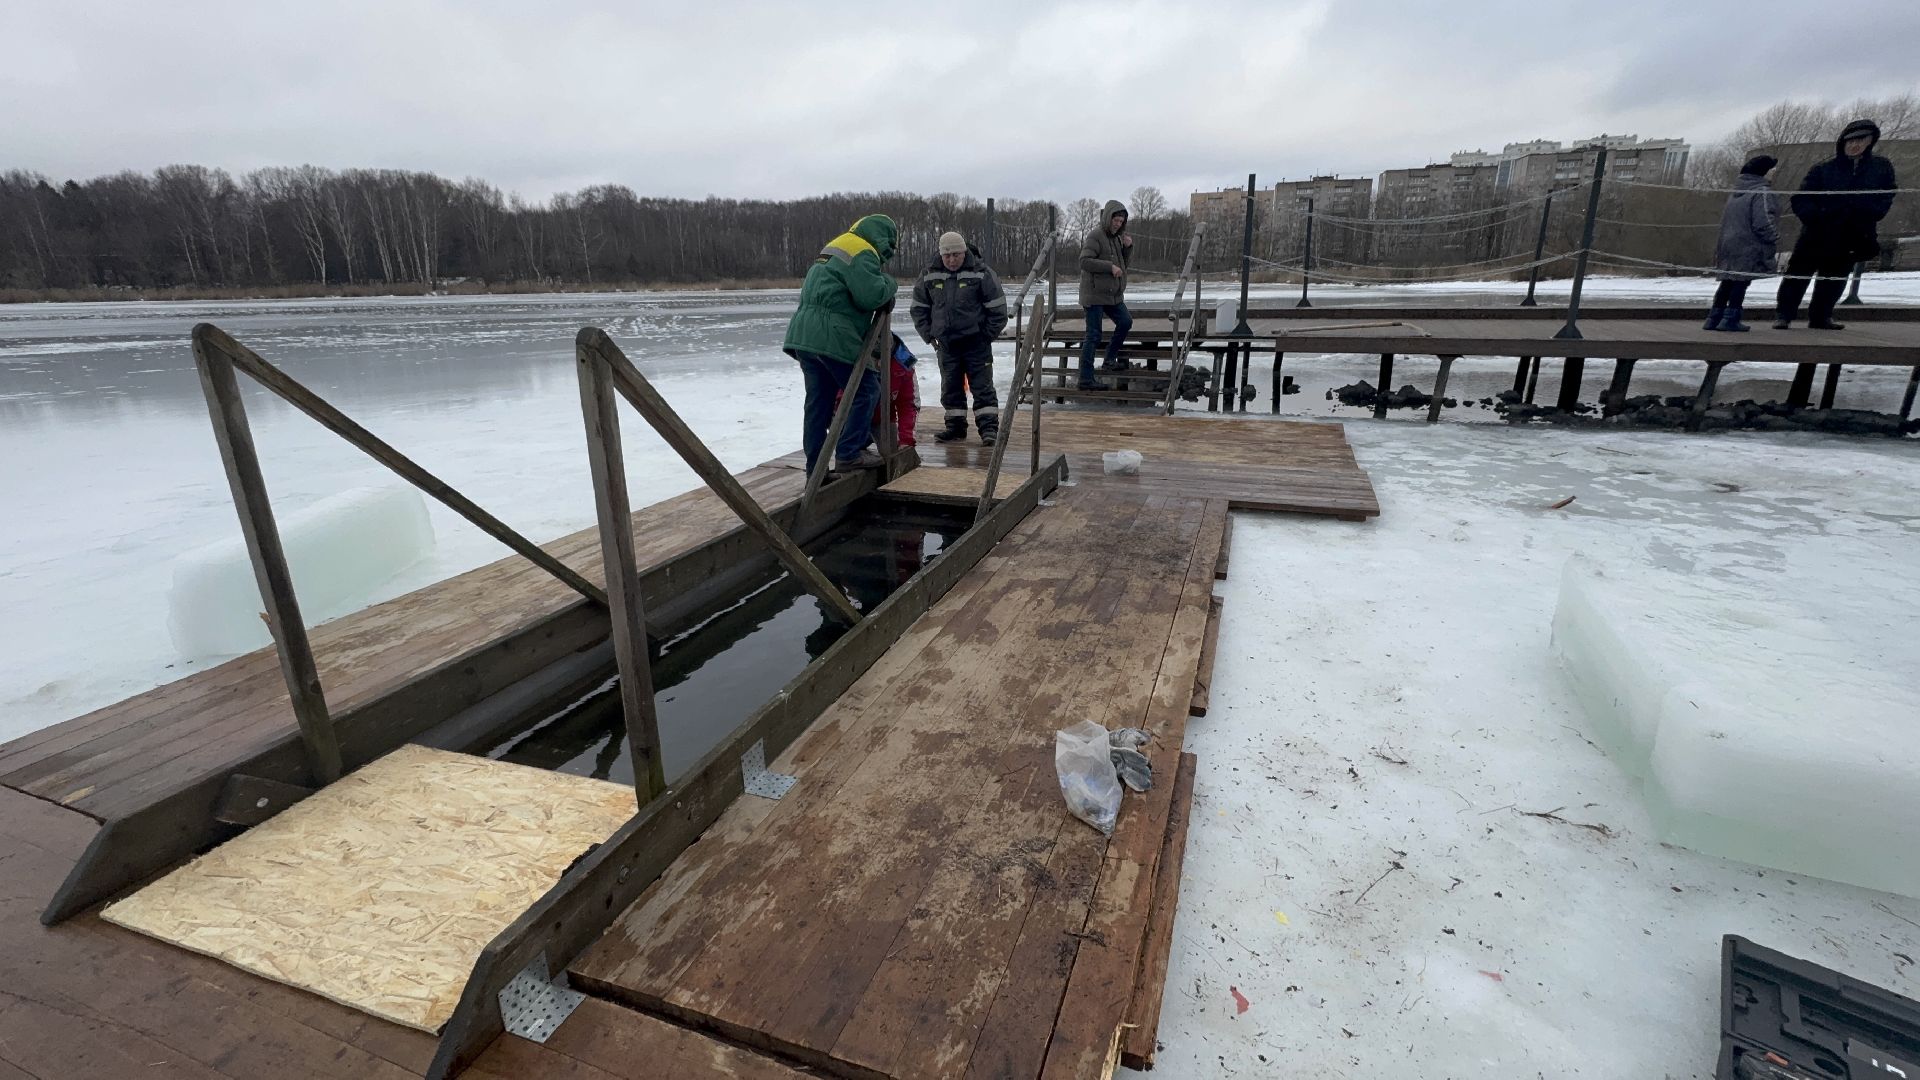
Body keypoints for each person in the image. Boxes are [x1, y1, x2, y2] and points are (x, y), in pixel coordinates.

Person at [784, 214, 897, 473]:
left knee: (818, 403)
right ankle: (848, 453)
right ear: (882, 238)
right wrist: (890, 284)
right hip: (832, 334)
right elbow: (871, 294)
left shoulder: (836, 246)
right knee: (866, 389)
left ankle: (816, 468)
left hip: (803, 335)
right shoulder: (862, 251)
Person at [1774, 119, 1898, 331]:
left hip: (1852, 233)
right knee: (1798, 275)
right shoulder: (1824, 169)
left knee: (1834, 278)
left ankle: (1821, 317)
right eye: (1849, 141)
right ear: (1842, 142)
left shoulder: (1881, 168)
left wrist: (1872, 212)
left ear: (1870, 141)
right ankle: (1784, 315)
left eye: (1860, 140)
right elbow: (1801, 198)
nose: (1854, 145)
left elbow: (1887, 195)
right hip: (1817, 233)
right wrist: (1814, 217)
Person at [911, 231, 1009, 445]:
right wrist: (929, 335)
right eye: (947, 256)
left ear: (964, 252)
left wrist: (986, 336)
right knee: (951, 388)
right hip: (946, 345)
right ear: (941, 255)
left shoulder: (982, 273)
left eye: (956, 254)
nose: (952, 260)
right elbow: (919, 308)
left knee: (983, 387)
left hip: (976, 343)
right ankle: (955, 428)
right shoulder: (929, 274)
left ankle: (989, 430)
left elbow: (998, 310)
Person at [1704, 155, 1780, 332]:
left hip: (1728, 243)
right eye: (1772, 169)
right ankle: (1731, 318)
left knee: (1727, 281)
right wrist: (1774, 236)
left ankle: (1714, 317)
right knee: (1741, 281)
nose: (1774, 173)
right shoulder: (1761, 192)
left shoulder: (1735, 193)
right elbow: (1762, 221)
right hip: (1749, 244)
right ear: (1764, 172)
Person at [1077, 200, 1133, 390]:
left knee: (1125, 321)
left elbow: (1123, 266)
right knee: (1093, 335)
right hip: (1094, 294)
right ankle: (1085, 379)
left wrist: (1127, 248)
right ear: (1108, 218)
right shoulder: (1095, 236)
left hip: (1112, 294)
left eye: (1121, 221)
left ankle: (1109, 359)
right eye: (1116, 220)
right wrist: (1109, 267)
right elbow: (1084, 261)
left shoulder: (1117, 238)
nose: (1118, 224)